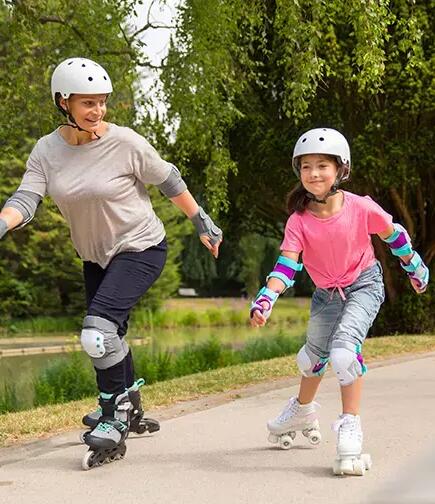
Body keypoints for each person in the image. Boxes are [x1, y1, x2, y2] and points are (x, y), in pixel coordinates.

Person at [0, 57, 222, 470]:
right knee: (112, 332)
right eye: (88, 103)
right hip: (95, 256)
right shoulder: (46, 151)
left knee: (97, 333)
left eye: (102, 102)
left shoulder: (126, 142)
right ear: (63, 102)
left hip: (141, 247)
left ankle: (113, 417)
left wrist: (201, 220)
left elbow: (168, 178)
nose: (97, 110)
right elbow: (26, 199)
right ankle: (131, 404)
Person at [250, 128, 429, 476]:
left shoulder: (360, 207)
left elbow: (394, 235)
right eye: (306, 167)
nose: (313, 174)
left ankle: (350, 426)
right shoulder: (298, 221)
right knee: (311, 358)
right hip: (325, 295)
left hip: (364, 284)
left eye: (322, 166)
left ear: (340, 170)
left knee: (344, 353)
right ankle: (302, 409)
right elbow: (287, 264)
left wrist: (414, 266)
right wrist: (267, 297)